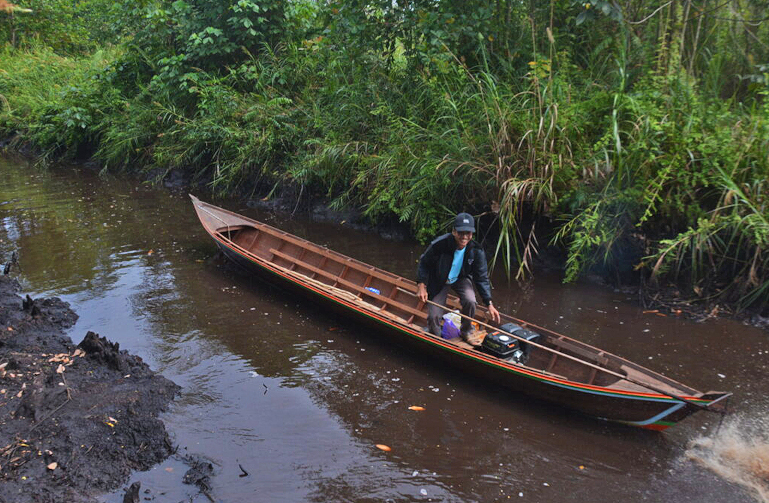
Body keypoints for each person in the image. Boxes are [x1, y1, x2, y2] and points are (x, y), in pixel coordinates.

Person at [416, 212, 501, 341]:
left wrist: (489, 303)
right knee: (434, 316)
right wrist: (421, 285)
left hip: (460, 278)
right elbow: (424, 262)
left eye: (468, 233)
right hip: (439, 279)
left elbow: (481, 277)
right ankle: (435, 336)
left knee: (471, 301)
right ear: (454, 231)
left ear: (472, 234)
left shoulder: (476, 250)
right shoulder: (440, 245)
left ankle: (466, 330)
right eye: (461, 232)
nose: (464, 237)